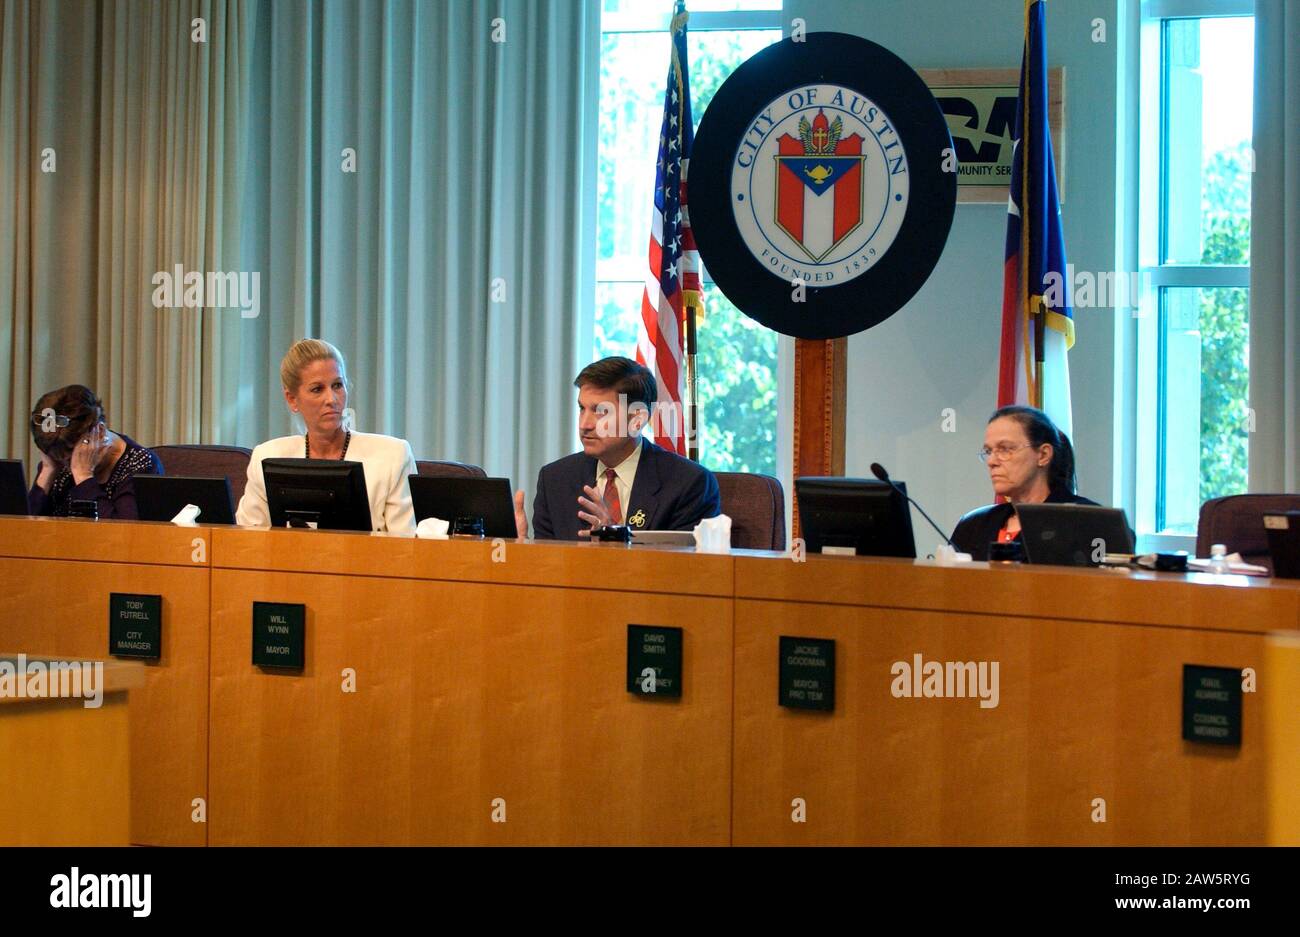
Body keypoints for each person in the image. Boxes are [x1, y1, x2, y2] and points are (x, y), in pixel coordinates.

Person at [514, 356, 721, 540]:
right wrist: (521, 549)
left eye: (601, 411)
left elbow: (686, 574)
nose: (584, 424)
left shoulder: (689, 484)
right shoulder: (555, 479)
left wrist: (616, 541)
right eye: (582, 408)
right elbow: (548, 569)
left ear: (637, 419)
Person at [236, 339, 417, 533]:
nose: (331, 399)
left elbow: (405, 548)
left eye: (337, 385)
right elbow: (248, 541)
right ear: (292, 399)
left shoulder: (393, 456)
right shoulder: (267, 456)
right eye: (317, 389)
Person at [951, 405, 1098, 560]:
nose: (992, 461)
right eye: (988, 451)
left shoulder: (1089, 522)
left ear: (1043, 455)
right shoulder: (974, 525)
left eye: (1005, 449)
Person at [27, 385, 162, 520]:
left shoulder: (141, 464)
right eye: (56, 457)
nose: (66, 465)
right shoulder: (57, 460)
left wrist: (83, 476)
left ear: (100, 432)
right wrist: (47, 472)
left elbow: (123, 534)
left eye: (71, 457)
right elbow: (22, 530)